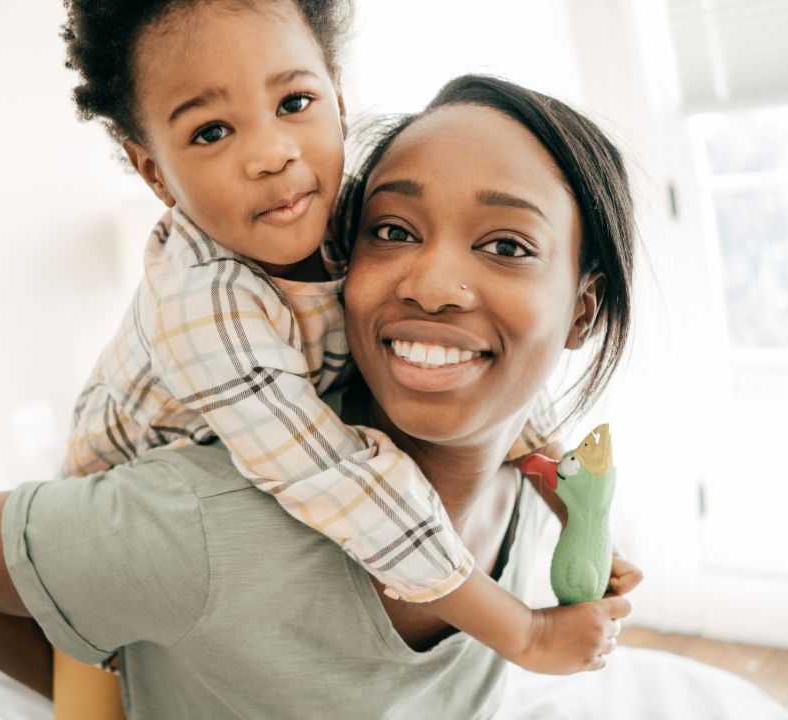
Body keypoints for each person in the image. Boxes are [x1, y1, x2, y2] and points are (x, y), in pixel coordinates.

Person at [0, 73, 642, 719]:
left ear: (583, 310)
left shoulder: (516, 486)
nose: (432, 285)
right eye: (393, 231)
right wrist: (126, 698)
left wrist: (570, 504)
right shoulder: (198, 523)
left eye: (505, 245)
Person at [53, 0, 558, 669]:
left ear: (339, 102)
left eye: (293, 101)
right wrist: (520, 631)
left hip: (238, 530)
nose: (270, 154)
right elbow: (331, 474)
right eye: (211, 132)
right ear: (153, 172)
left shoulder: (358, 207)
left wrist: (570, 498)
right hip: (113, 547)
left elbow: (489, 362)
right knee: (111, 677)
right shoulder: (206, 300)